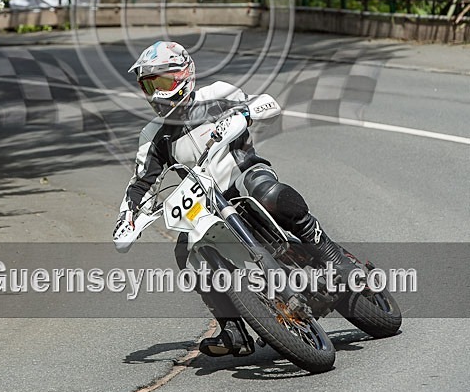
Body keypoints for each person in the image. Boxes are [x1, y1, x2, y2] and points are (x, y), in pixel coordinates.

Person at [113, 41, 349, 358]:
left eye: (162, 83)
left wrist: (247, 111)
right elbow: (141, 181)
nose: (156, 93)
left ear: (183, 74)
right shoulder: (153, 134)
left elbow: (265, 103)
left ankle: (334, 256)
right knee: (184, 249)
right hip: (208, 203)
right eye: (148, 86)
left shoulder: (218, 94)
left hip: (243, 175)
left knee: (267, 192)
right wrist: (127, 218)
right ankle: (232, 329)